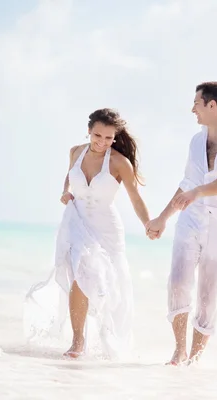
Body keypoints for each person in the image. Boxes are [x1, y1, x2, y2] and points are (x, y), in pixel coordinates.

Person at [24, 108, 152, 360]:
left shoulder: (119, 163)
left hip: (106, 228)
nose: (102, 142)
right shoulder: (75, 152)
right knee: (79, 276)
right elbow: (70, 175)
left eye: (108, 138)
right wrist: (65, 191)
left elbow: (135, 197)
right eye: (97, 136)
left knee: (109, 284)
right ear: (89, 130)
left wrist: (149, 223)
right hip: (76, 221)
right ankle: (78, 341)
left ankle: (106, 339)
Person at [146, 81, 217, 365]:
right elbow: (186, 184)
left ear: (211, 105)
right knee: (178, 283)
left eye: (196, 103)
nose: (192, 108)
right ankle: (179, 349)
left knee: (209, 295)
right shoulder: (196, 140)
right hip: (190, 220)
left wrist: (198, 192)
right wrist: (162, 218)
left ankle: (194, 360)